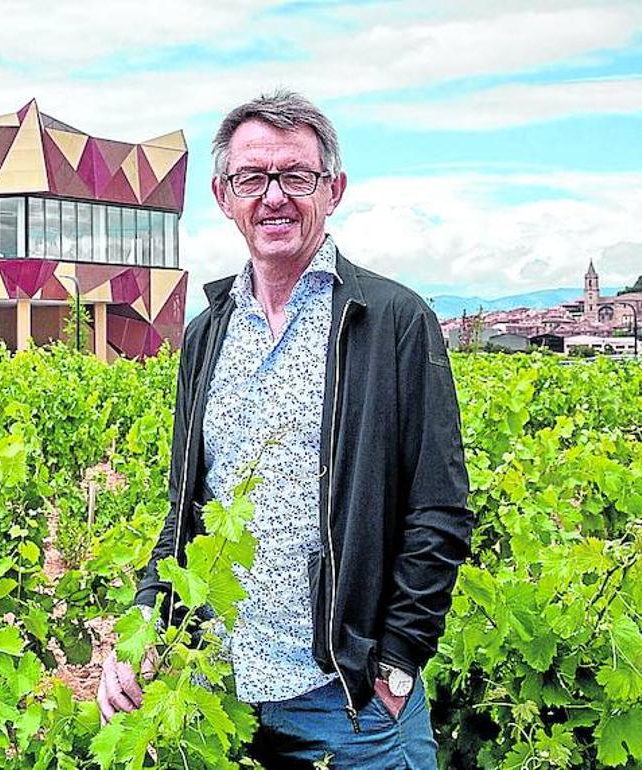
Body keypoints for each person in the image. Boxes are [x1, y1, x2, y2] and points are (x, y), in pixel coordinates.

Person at [97, 90, 473, 768]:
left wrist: (394, 666)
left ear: (333, 189)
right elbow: (185, 512)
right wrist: (137, 633)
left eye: (295, 176)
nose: (273, 196)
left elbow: (439, 510)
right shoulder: (207, 333)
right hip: (221, 695)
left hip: (350, 704)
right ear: (223, 194)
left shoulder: (391, 320)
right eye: (252, 177)